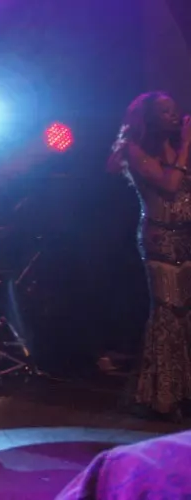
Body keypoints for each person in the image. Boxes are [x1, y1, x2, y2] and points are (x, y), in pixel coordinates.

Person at [107, 92, 191, 421]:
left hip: (186, 237)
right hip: (160, 239)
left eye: (174, 109)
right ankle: (161, 396)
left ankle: (185, 391)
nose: (174, 115)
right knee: (168, 313)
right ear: (149, 118)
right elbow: (170, 185)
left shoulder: (174, 147)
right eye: (165, 111)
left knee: (186, 314)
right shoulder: (134, 150)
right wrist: (186, 144)